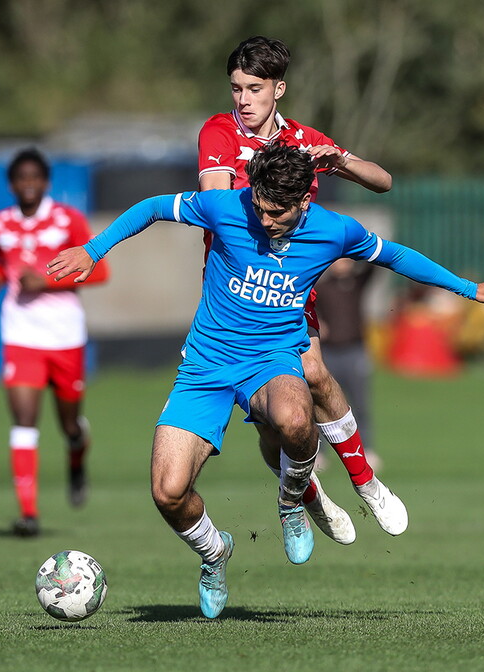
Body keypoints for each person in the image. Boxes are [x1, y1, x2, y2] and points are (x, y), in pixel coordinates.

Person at [46, 143, 484, 618]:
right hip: (205, 367)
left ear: (303, 202)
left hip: (272, 359)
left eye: (277, 213)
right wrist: (91, 249)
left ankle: (291, 504)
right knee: (167, 492)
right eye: (260, 208)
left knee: (296, 419)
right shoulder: (227, 205)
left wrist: (469, 289)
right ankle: (214, 554)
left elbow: (394, 256)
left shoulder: (333, 231)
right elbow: (151, 209)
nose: (264, 220)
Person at [198, 35, 404, 540]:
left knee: (315, 374)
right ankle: (307, 494)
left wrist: (337, 162)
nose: (242, 100)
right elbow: (218, 208)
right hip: (234, 292)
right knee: (275, 421)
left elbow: (383, 181)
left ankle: (366, 483)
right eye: (236, 88)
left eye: (253, 88)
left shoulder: (303, 141)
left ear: (279, 89)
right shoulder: (220, 133)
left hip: (289, 286)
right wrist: (269, 178)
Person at [0, 148, 109, 537]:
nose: (28, 185)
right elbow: (3, 263)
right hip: (20, 332)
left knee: (69, 424)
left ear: (46, 182)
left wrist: (49, 280)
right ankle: (29, 513)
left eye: (35, 178)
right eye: (21, 179)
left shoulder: (67, 219)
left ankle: (76, 455)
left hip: (64, 333)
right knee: (24, 421)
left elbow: (100, 270)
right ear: (11, 184)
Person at [314, 258, 380, 469]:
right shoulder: (322, 287)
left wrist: (358, 249)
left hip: (355, 351)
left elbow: (374, 267)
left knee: (360, 404)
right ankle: (319, 453)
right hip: (329, 352)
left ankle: (366, 450)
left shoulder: (357, 283)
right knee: (322, 403)